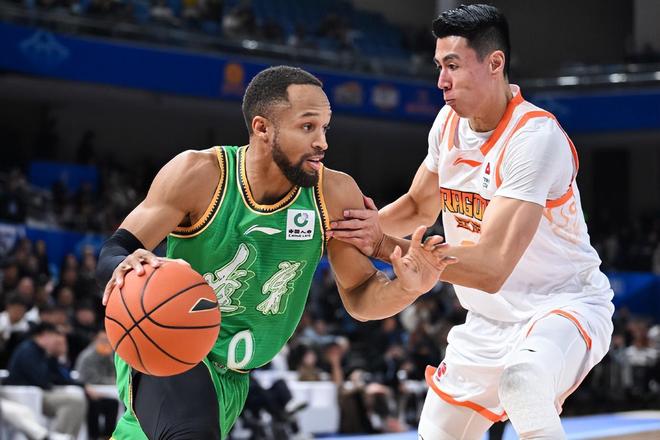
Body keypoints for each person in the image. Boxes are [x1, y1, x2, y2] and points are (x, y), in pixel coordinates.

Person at [95, 65, 455, 440]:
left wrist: (407, 288)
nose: (322, 142)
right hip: (168, 341)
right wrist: (124, 264)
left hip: (234, 377)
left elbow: (360, 297)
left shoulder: (334, 194)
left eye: (325, 128)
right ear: (262, 128)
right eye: (307, 126)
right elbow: (116, 249)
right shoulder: (199, 174)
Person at [329, 4, 614, 439]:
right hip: (487, 321)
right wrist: (352, 230)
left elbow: (492, 267)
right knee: (436, 433)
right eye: (439, 66)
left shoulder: (534, 139)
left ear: (495, 63)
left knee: (524, 384)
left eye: (453, 65)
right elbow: (418, 206)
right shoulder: (449, 123)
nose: (441, 80)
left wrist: (382, 245)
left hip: (561, 306)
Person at [5, 322, 88, 438]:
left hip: (40, 393)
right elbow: (42, 380)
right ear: (44, 335)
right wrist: (51, 357)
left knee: (77, 399)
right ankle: (60, 437)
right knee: (73, 402)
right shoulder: (28, 350)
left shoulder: (42, 352)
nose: (57, 341)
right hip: (26, 395)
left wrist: (58, 357)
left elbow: (61, 378)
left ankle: (67, 437)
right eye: (55, 336)